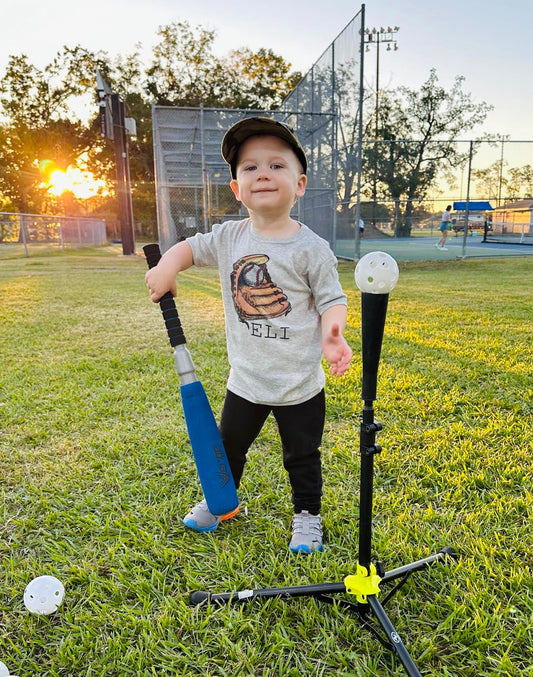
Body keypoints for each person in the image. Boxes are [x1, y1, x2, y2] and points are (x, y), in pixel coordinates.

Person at [145, 116, 352, 554]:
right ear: (237, 190)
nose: (263, 173)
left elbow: (333, 298)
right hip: (246, 382)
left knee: (302, 457)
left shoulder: (311, 248)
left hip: (298, 385)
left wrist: (333, 334)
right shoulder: (229, 237)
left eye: (277, 165)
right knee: (227, 449)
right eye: (250, 168)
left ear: (299, 184)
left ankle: (307, 517)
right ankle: (223, 502)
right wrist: (167, 267)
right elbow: (189, 248)